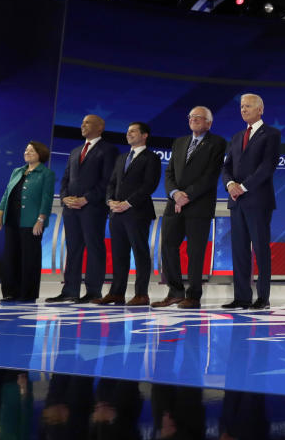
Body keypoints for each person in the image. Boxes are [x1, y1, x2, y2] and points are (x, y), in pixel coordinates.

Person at [152, 106, 227, 309]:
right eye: (191, 116)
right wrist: (175, 194)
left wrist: (188, 195)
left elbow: (210, 176)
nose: (194, 119)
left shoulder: (217, 143)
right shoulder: (179, 142)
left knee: (195, 252)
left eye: (199, 117)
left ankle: (193, 296)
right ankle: (175, 292)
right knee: (168, 246)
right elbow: (169, 173)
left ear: (209, 123)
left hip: (199, 206)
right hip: (174, 205)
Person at [46, 115, 117, 304]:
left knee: (94, 248)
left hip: (93, 208)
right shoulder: (75, 151)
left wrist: (86, 199)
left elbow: (108, 181)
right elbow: (66, 179)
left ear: (100, 127)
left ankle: (94, 291)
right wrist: (64, 198)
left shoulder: (109, 150)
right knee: (73, 248)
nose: (82, 125)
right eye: (82, 122)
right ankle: (70, 290)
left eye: (87, 122)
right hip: (71, 209)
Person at [221, 93, 281, 310]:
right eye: (242, 106)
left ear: (260, 109)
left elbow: (267, 167)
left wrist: (243, 187)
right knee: (239, 250)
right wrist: (229, 186)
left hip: (257, 199)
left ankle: (262, 297)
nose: (243, 109)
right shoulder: (237, 136)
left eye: (248, 106)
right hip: (236, 201)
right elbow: (226, 167)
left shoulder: (271, 134)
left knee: (260, 249)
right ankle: (242, 297)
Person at [95, 122, 161, 306]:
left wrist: (128, 203)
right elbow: (111, 183)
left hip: (138, 213)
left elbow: (149, 185)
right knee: (118, 254)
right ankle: (116, 292)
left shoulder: (151, 158)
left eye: (133, 131)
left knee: (140, 253)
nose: (128, 134)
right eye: (127, 131)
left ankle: (141, 294)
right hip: (117, 214)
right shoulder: (122, 157)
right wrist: (110, 201)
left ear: (144, 135)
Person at [0, 141, 54, 303]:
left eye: (31, 151)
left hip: (31, 222)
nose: (27, 152)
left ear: (40, 154)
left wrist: (40, 220)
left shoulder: (46, 174)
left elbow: (46, 200)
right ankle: (9, 292)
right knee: (10, 257)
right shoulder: (17, 171)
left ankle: (27, 293)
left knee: (30, 258)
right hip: (12, 219)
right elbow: (7, 195)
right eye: (26, 150)